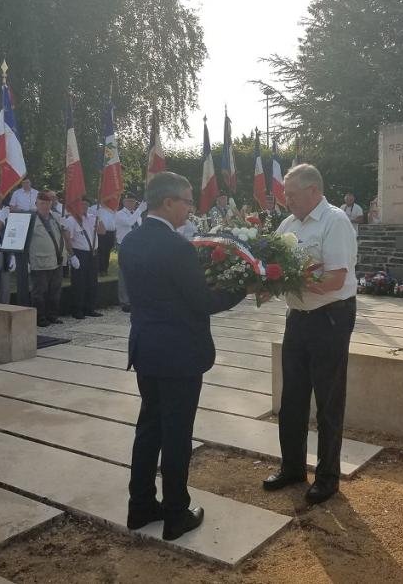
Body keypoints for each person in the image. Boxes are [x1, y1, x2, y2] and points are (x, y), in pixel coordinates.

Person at [119, 172, 246, 540]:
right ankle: (176, 513)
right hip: (179, 353)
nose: (191, 207)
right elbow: (202, 301)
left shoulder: (130, 242)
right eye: (188, 201)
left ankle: (140, 505)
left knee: (149, 428)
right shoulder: (176, 247)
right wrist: (244, 287)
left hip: (147, 348)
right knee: (176, 434)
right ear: (168, 203)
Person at [263, 164, 357, 504]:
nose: (285, 200)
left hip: (330, 318)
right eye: (285, 194)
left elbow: (335, 280)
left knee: (328, 400)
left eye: (291, 194)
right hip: (298, 318)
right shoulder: (288, 225)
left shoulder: (335, 222)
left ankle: (328, 477)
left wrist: (291, 278)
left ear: (314, 190)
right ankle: (292, 467)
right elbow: (273, 270)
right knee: (292, 399)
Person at [29, 191, 72, 327]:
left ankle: (52, 315)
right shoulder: (31, 219)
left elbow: (65, 235)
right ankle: (40, 318)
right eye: (42, 203)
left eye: (48, 203)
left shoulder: (56, 217)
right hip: (40, 261)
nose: (45, 206)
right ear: (36, 204)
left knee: (55, 291)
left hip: (56, 260)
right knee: (39, 292)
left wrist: (66, 228)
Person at [63, 196, 104, 319]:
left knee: (92, 282)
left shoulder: (92, 218)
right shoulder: (71, 220)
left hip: (93, 253)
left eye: (86, 204)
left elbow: (102, 231)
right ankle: (77, 309)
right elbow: (67, 239)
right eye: (82, 204)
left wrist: (99, 218)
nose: (84, 207)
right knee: (79, 283)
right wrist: (72, 256)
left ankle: (90, 308)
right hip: (79, 253)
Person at [115, 193, 145, 313]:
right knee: (124, 273)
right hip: (124, 245)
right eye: (128, 201)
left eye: (133, 201)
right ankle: (125, 301)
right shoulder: (119, 214)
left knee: (136, 273)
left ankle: (134, 299)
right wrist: (140, 210)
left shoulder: (137, 215)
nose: (131, 204)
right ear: (123, 202)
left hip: (137, 245)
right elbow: (129, 223)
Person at [94, 204, 116, 276]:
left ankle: (105, 269)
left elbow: (114, 220)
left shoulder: (112, 208)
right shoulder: (95, 208)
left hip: (111, 233)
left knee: (107, 251)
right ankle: (99, 269)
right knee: (100, 251)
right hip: (100, 233)